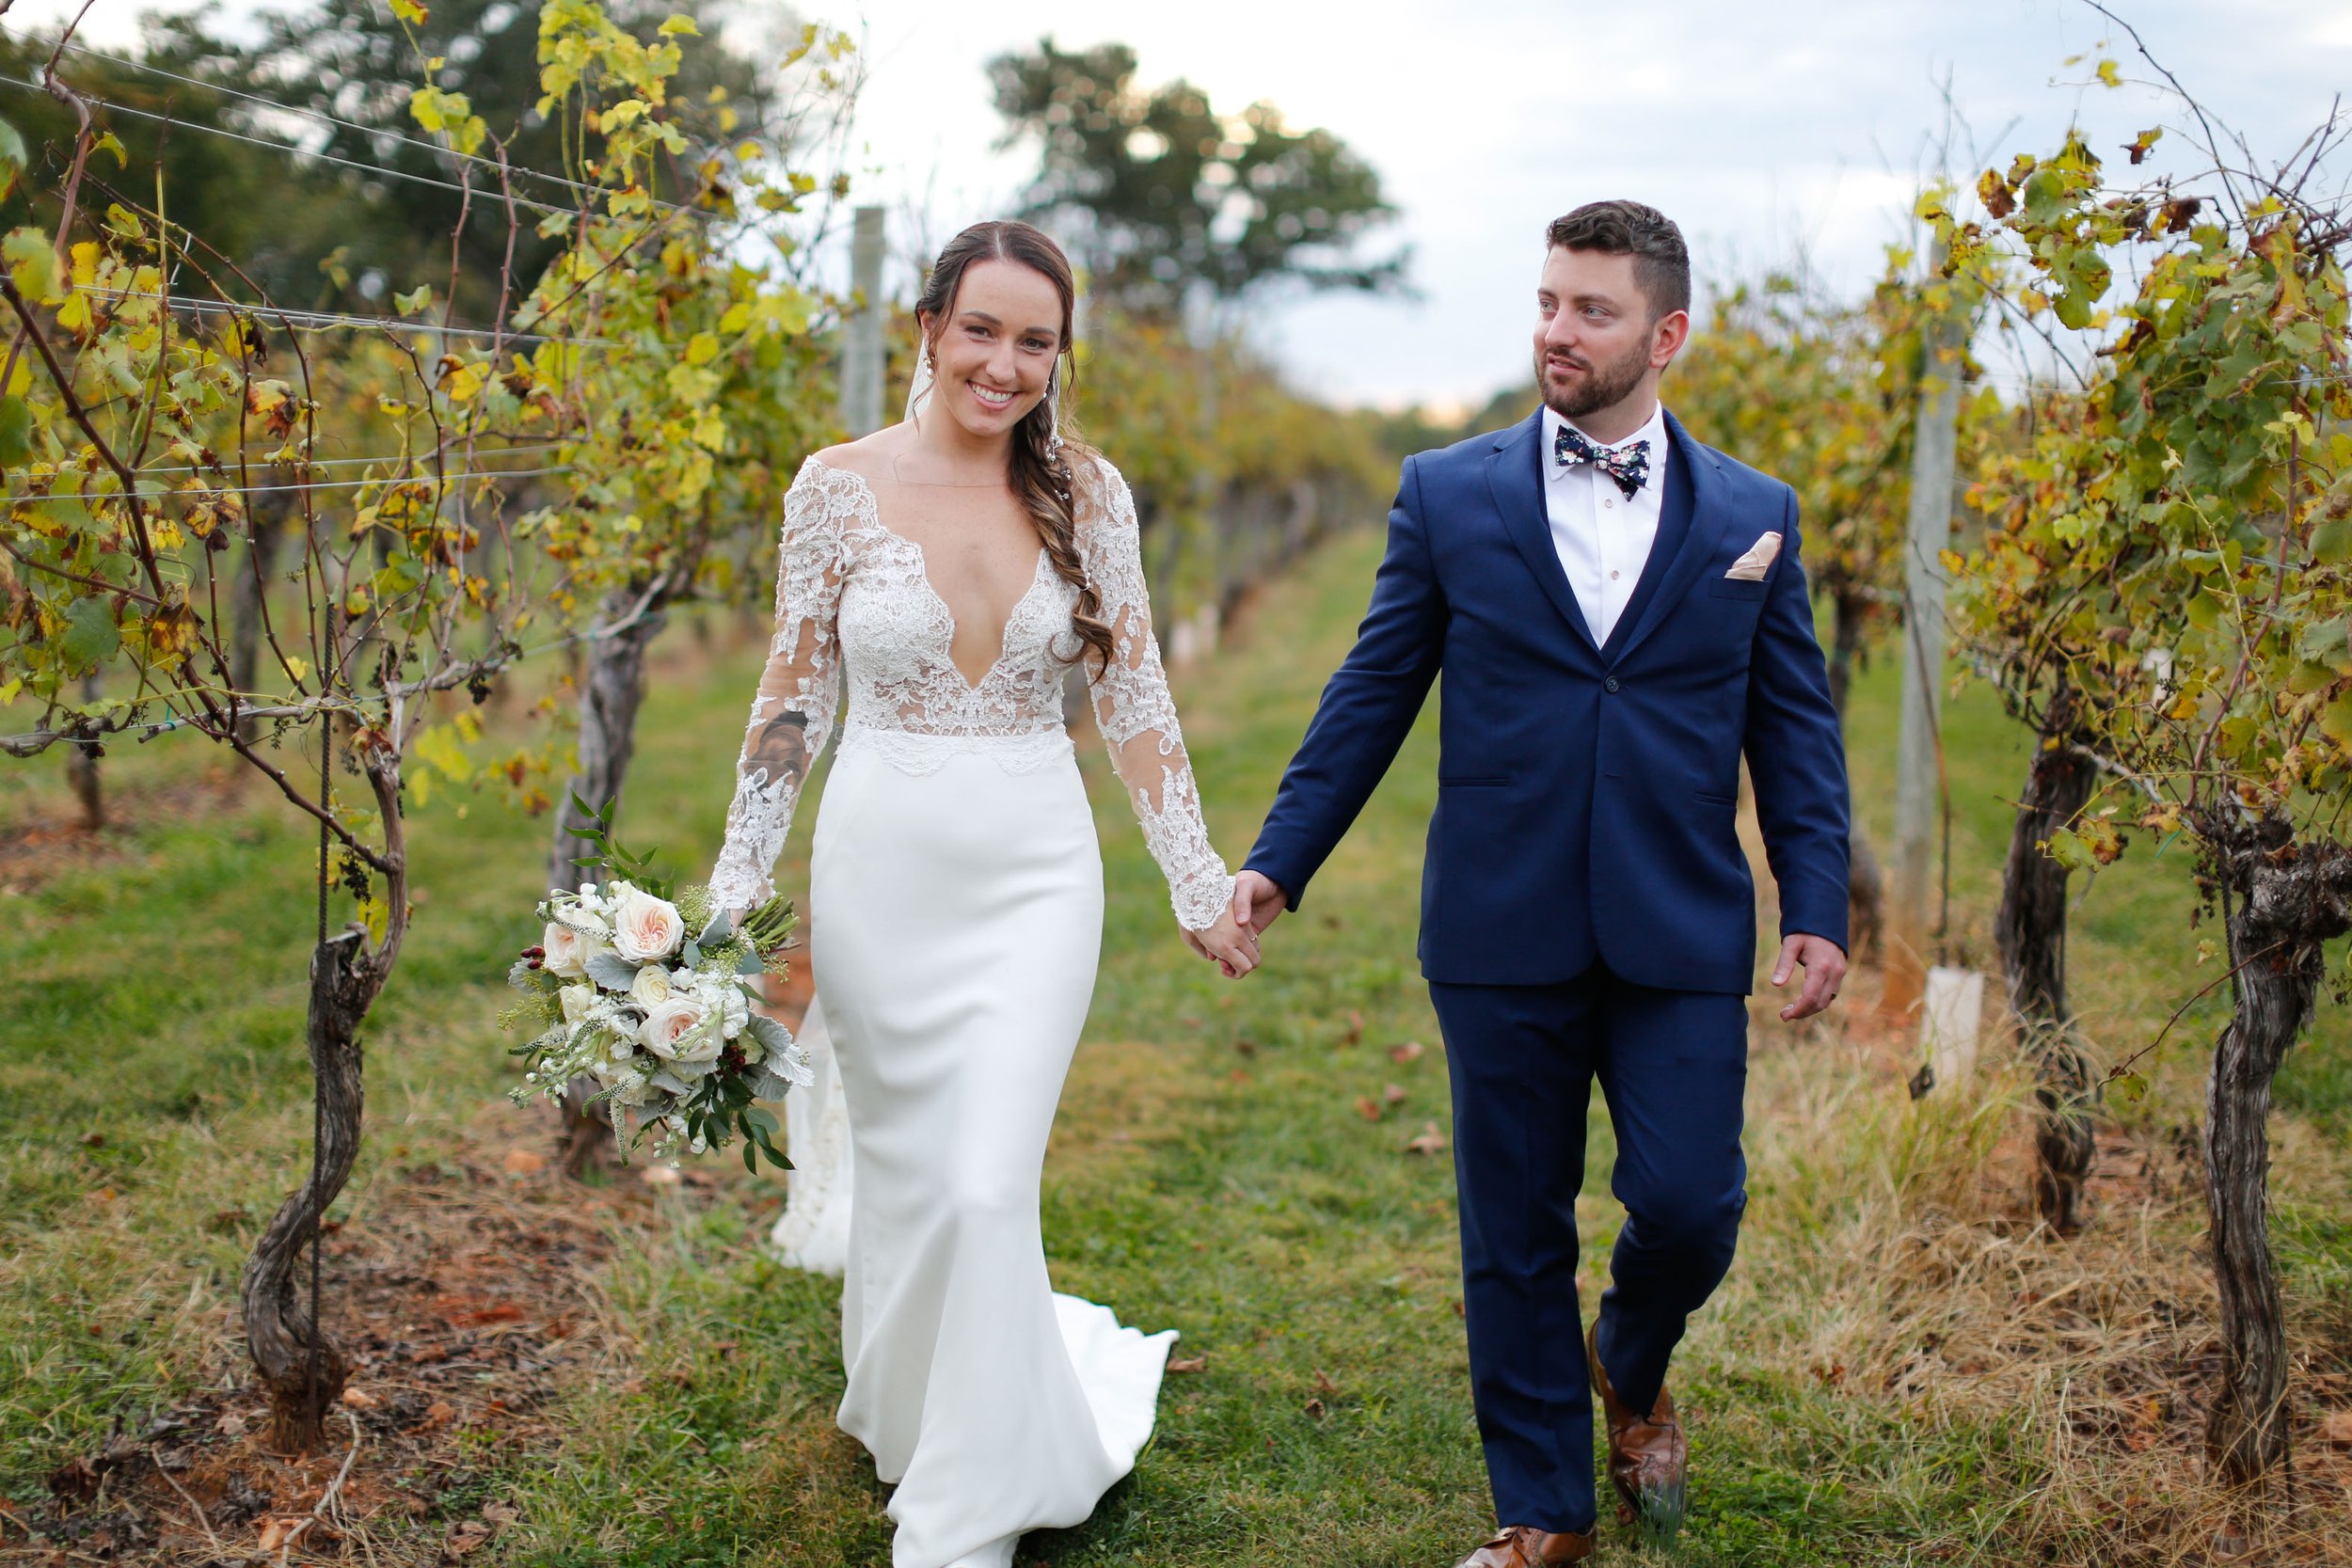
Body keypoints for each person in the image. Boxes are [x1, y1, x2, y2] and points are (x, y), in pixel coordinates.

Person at [1231, 199, 1851, 1567]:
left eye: (1591, 310)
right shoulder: (1450, 492)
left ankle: (1629, 1355)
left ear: (1667, 334)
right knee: (1512, 1228)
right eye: (1548, 302)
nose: (1554, 332)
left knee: (1692, 1204)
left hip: (1680, 916)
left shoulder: (1756, 515)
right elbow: (1375, 688)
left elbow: (1793, 725)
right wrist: (1282, 857)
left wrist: (1815, 904)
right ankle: (1543, 1513)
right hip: (1500, 916)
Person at [706, 218, 1258, 1568]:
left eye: (1035, 341)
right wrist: (733, 887)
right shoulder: (834, 489)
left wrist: (1194, 874)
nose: (1004, 365)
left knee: (989, 1182)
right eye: (982, 330)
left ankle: (961, 1518)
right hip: (882, 865)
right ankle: (915, 1415)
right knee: (910, 1176)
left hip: (1034, 872)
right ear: (928, 329)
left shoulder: (1092, 493)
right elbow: (791, 703)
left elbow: (1134, 698)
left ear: (1058, 356)